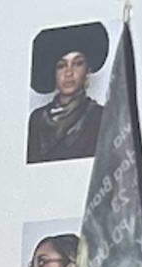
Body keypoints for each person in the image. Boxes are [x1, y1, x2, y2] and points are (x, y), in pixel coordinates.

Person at [25, 25, 106, 164]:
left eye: (77, 63)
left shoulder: (100, 117)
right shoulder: (37, 120)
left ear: (88, 69)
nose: (69, 73)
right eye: (61, 66)